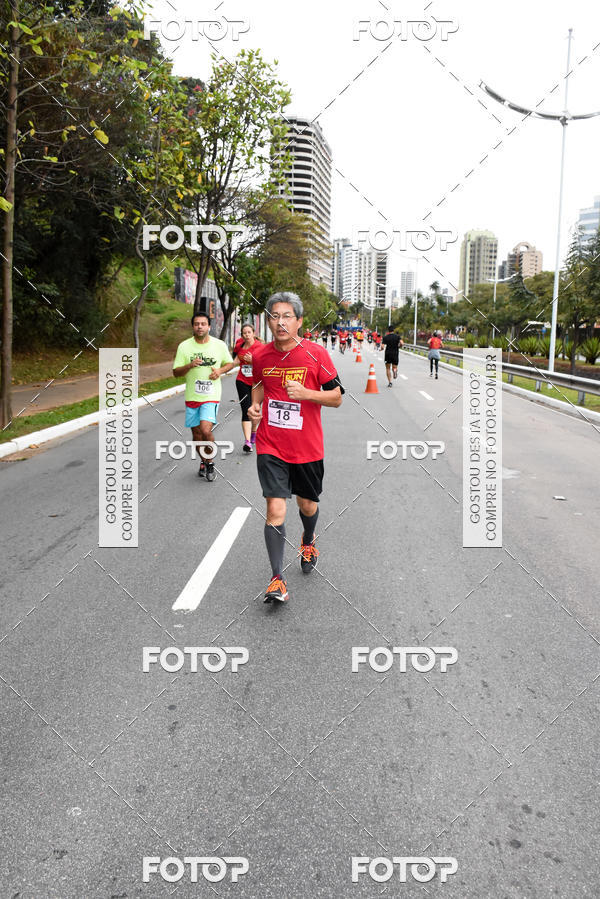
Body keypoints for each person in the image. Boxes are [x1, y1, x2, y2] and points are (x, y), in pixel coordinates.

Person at [249, 292, 344, 603]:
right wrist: (254, 407)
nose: (280, 322)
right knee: (275, 509)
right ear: (268, 320)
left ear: (299, 321)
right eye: (274, 316)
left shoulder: (316, 354)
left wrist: (307, 393)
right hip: (270, 444)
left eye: (287, 316)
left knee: (307, 506)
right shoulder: (261, 355)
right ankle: (277, 579)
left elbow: (337, 397)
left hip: (307, 448)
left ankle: (307, 538)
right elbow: (260, 383)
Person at [173, 313, 235, 480]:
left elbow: (230, 363)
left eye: (203, 324)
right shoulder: (184, 347)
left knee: (206, 430)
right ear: (193, 327)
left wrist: (220, 371)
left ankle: (210, 461)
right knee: (196, 435)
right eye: (196, 324)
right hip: (192, 396)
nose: (200, 326)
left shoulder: (219, 345)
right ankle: (204, 461)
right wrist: (189, 365)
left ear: (209, 326)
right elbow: (176, 372)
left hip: (211, 395)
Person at [232, 322, 262, 454]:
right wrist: (220, 369)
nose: (247, 335)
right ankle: (247, 441)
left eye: (249, 332)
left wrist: (253, 361)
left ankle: (253, 433)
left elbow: (265, 367)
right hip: (242, 381)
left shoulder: (260, 347)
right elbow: (234, 362)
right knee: (246, 410)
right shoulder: (240, 346)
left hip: (257, 383)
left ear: (253, 333)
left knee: (254, 409)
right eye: (244, 333)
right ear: (242, 335)